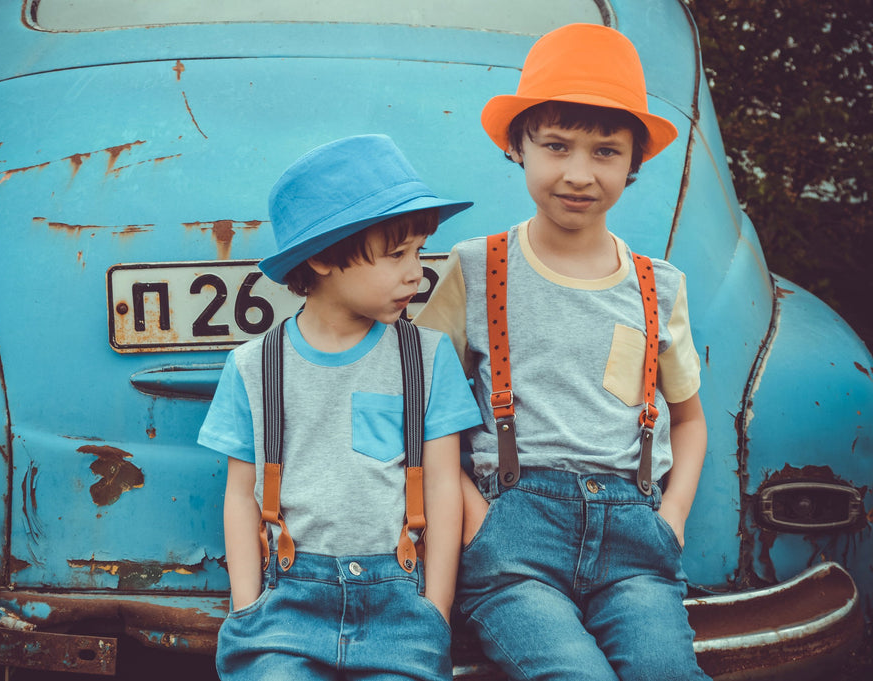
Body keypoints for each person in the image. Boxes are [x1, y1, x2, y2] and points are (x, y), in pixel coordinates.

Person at [415, 24, 710, 681]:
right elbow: (423, 411)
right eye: (556, 145)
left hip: (636, 541)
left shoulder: (657, 286)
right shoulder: (476, 268)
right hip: (514, 543)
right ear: (518, 148)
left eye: (606, 151)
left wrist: (672, 519)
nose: (579, 173)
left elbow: (689, 419)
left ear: (634, 162)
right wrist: (475, 522)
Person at [198, 134, 483, 680]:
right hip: (285, 611)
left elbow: (445, 488)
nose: (416, 272)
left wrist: (436, 610)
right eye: (396, 254)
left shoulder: (427, 358)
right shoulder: (253, 367)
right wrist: (246, 606)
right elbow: (240, 493)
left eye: (419, 251)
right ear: (326, 256)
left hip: (400, 610)